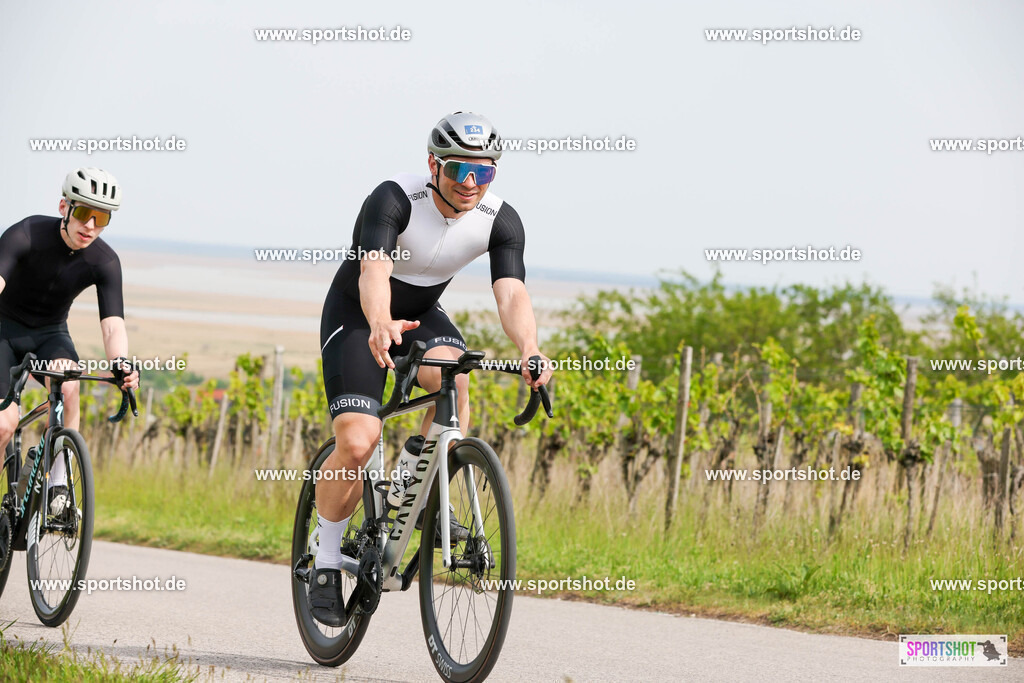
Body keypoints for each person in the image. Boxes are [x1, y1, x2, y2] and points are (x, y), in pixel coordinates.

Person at [312, 112, 553, 625]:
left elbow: (511, 292)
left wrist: (531, 347)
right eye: (458, 170)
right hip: (358, 314)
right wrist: (379, 322)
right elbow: (374, 268)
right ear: (433, 164)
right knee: (357, 442)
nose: (470, 184)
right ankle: (327, 558)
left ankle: (410, 489)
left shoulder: (500, 218)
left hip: (421, 315)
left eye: (482, 173)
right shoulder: (393, 198)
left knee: (453, 375)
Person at [0, 167, 141, 517]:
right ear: (64, 207)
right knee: (4, 423)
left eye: (101, 218)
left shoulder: (105, 261)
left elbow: (112, 325)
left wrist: (121, 361)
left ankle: (58, 483)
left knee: (70, 384)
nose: (90, 226)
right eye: (83, 213)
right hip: (2, 331)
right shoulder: (26, 233)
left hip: (50, 333)